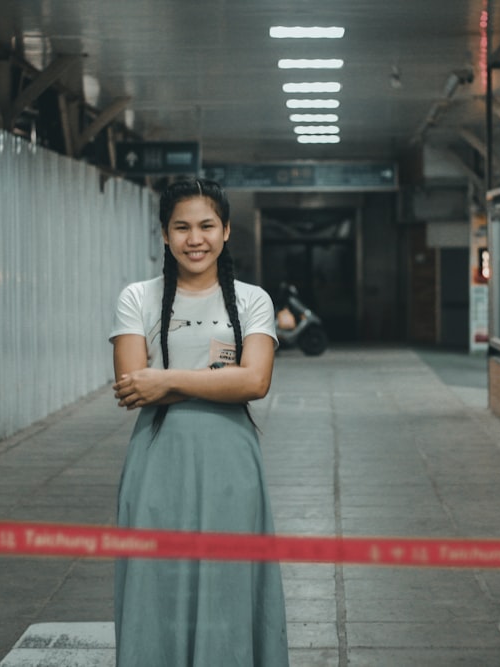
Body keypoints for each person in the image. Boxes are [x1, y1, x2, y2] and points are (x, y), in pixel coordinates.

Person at [109, 178, 290, 666]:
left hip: (231, 463)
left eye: (207, 225)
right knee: (154, 577)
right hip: (157, 459)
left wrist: (164, 380)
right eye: (181, 227)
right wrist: (213, 379)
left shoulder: (253, 301)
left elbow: (255, 382)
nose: (195, 239)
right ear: (164, 236)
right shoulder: (137, 298)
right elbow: (131, 385)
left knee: (229, 580)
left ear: (226, 230)